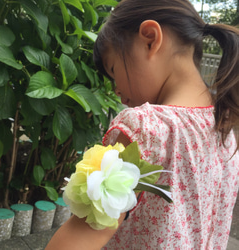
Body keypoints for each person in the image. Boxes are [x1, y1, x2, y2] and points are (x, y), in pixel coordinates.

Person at [46, 0, 239, 249]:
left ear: (150, 38)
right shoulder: (223, 127)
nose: (116, 91)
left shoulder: (145, 128)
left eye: (114, 70)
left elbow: (88, 232)